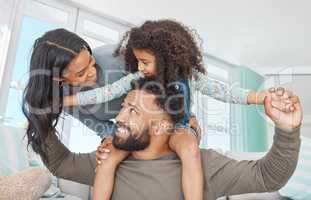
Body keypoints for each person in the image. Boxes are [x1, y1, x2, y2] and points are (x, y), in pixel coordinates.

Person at [61, 20, 296, 200]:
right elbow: (105, 93)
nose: (140, 66)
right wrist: (66, 101)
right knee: (109, 158)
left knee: (191, 151)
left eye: (145, 61)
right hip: (147, 133)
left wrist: (258, 97)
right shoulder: (136, 77)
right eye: (138, 61)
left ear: (165, 57)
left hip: (179, 128)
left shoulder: (190, 76)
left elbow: (224, 92)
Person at [40, 82, 302, 200]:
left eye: (133, 111)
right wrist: (37, 112)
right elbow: (62, 164)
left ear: (164, 125)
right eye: (123, 106)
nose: (118, 117)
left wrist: (287, 130)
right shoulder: (111, 157)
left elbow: (268, 178)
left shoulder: (205, 165)